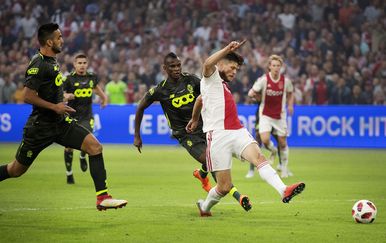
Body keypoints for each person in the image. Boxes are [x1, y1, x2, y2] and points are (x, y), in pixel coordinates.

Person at [0, 23, 126, 211]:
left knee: (95, 147)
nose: (62, 40)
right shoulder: (39, 62)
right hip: (40, 127)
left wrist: (62, 98)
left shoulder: (53, 62)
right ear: (49, 41)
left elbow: (49, 89)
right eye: (59, 37)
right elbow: (27, 95)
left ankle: (103, 197)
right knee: (16, 170)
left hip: (60, 123)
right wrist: (54, 106)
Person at [186, 41, 305, 217]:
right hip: (217, 136)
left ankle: (283, 190)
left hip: (237, 131)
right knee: (224, 187)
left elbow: (199, 100)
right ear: (221, 64)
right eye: (232, 67)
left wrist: (195, 119)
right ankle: (205, 208)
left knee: (258, 156)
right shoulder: (210, 77)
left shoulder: (221, 86)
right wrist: (227, 49)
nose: (235, 72)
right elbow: (207, 64)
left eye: (237, 69)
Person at [134, 52, 252, 211]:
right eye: (172, 66)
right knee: (212, 159)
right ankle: (238, 196)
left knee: (212, 160)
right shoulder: (160, 90)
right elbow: (140, 107)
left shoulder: (191, 80)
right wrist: (137, 135)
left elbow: (208, 88)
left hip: (205, 127)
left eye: (178, 65)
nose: (176, 69)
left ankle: (202, 174)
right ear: (165, 68)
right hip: (185, 134)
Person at [62, 53, 108, 184]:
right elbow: (60, 94)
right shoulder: (69, 79)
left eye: (84, 63)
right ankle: (69, 173)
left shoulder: (92, 77)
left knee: (87, 139)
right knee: (68, 147)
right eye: (79, 63)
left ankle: (83, 155)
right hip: (71, 115)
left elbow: (97, 89)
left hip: (87, 116)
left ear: (87, 64)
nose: (82, 65)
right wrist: (66, 96)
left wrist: (104, 99)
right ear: (74, 65)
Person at [248, 54, 294, 178]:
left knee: (283, 143)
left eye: (278, 65)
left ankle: (284, 167)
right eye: (274, 65)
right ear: (269, 66)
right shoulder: (264, 80)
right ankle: (273, 151)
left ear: (281, 67)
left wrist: (290, 105)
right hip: (265, 115)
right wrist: (253, 94)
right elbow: (252, 92)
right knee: (265, 140)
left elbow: (290, 93)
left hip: (280, 116)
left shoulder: (286, 81)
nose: (276, 68)